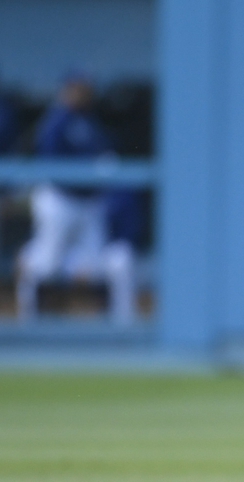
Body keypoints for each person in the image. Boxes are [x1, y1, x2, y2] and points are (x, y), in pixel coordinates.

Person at [16, 73, 136, 325]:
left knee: (92, 267)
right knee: (46, 265)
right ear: (67, 90)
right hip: (59, 200)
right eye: (77, 88)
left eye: (85, 89)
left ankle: (121, 330)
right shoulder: (55, 122)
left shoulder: (90, 121)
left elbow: (105, 154)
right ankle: (27, 320)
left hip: (87, 203)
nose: (83, 93)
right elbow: (50, 166)